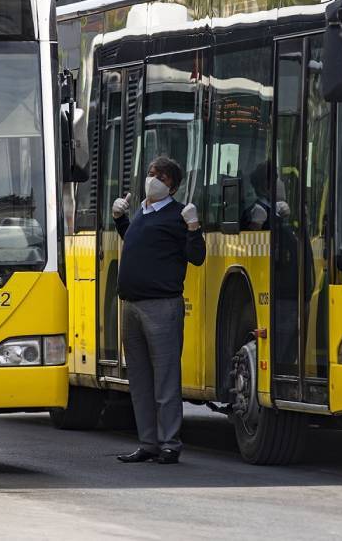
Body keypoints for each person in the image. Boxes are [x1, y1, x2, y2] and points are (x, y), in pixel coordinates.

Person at [111, 156, 206, 465]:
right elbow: (139, 243)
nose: (153, 180)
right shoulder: (142, 211)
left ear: (172, 186)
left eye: (160, 177)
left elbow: (197, 257)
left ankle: (169, 443)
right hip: (132, 305)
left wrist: (193, 227)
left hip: (162, 306)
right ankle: (148, 442)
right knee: (139, 379)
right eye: (151, 174)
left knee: (164, 378)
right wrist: (121, 221)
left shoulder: (178, 215)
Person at [242, 161, 290, 231]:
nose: (276, 186)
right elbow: (251, 238)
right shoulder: (258, 210)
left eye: (275, 180)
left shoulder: (274, 206)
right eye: (272, 181)